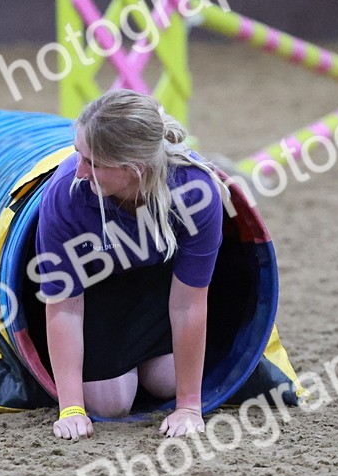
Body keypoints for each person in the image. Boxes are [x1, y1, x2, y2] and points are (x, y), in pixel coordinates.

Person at [34, 89, 229, 441]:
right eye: (78, 153)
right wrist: (71, 409)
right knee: (111, 403)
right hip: (98, 292)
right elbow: (63, 304)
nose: (79, 170)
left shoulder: (194, 190)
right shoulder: (66, 193)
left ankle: (150, 367)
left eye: (92, 162)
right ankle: (122, 370)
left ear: (134, 170)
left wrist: (188, 406)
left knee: (169, 381)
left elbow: (188, 302)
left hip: (158, 287)